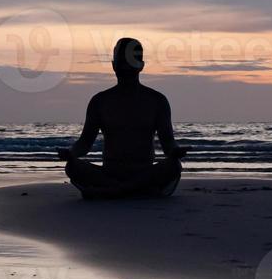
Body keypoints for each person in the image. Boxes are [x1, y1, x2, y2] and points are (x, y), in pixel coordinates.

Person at [58, 38, 186, 199]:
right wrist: (71, 153)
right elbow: (85, 143)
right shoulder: (100, 101)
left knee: (174, 166)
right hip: (110, 173)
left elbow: (168, 143)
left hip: (144, 172)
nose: (126, 70)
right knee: (73, 167)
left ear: (141, 66)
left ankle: (116, 190)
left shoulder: (157, 101)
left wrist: (176, 152)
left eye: (130, 66)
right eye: (122, 65)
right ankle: (134, 190)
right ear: (114, 66)